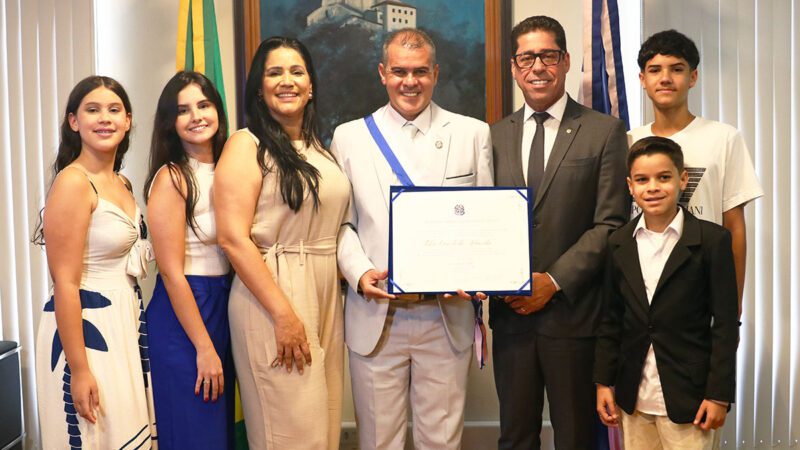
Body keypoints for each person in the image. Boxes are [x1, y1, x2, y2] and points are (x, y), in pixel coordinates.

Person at [331, 28, 493, 449]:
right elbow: (340, 225)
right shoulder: (349, 137)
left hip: (446, 315)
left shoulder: (472, 133)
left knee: (441, 441)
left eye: (420, 71)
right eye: (399, 71)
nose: (410, 82)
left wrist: (481, 274)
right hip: (376, 311)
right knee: (378, 441)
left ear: (435, 73)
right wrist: (359, 271)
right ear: (382, 73)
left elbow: (484, 223)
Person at [490, 15, 630, 449]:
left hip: (573, 316)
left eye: (548, 55)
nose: (538, 67)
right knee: (515, 438)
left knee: (575, 438)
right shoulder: (492, 136)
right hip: (511, 318)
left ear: (566, 61)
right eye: (526, 57)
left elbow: (610, 223)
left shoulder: (604, 132)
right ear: (514, 67)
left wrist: (551, 282)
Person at [214, 36, 350, 450]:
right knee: (291, 432)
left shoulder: (319, 150)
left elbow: (337, 226)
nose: (286, 80)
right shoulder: (246, 144)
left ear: (311, 85)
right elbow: (233, 239)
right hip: (273, 296)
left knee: (324, 427)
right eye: (274, 72)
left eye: (297, 71)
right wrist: (284, 316)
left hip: (326, 293)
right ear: (259, 87)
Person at [33, 76, 155, 449]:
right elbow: (65, 284)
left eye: (114, 110)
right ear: (74, 122)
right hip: (86, 329)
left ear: (128, 120)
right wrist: (81, 369)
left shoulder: (122, 182)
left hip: (124, 321)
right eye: (92, 109)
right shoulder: (73, 183)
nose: (105, 118)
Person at [595, 136, 738, 449]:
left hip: (690, 398)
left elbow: (726, 326)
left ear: (682, 180)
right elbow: (611, 319)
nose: (653, 187)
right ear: (630, 186)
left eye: (664, 177)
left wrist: (718, 394)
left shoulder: (712, 241)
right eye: (642, 180)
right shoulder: (618, 243)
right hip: (634, 396)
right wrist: (604, 382)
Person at [630, 29, 763, 316]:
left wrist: (733, 300)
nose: (665, 78)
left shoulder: (723, 138)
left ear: (692, 77)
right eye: (655, 70)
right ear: (643, 80)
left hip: (701, 285)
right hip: (642, 289)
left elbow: (734, 226)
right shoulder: (627, 141)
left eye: (677, 69)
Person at [144, 71, 233, 449]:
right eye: (183, 110)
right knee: (196, 434)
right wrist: (204, 347)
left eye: (204, 104)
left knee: (220, 432)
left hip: (226, 301)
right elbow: (170, 272)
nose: (196, 115)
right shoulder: (173, 177)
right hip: (187, 314)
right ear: (170, 123)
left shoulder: (233, 167)